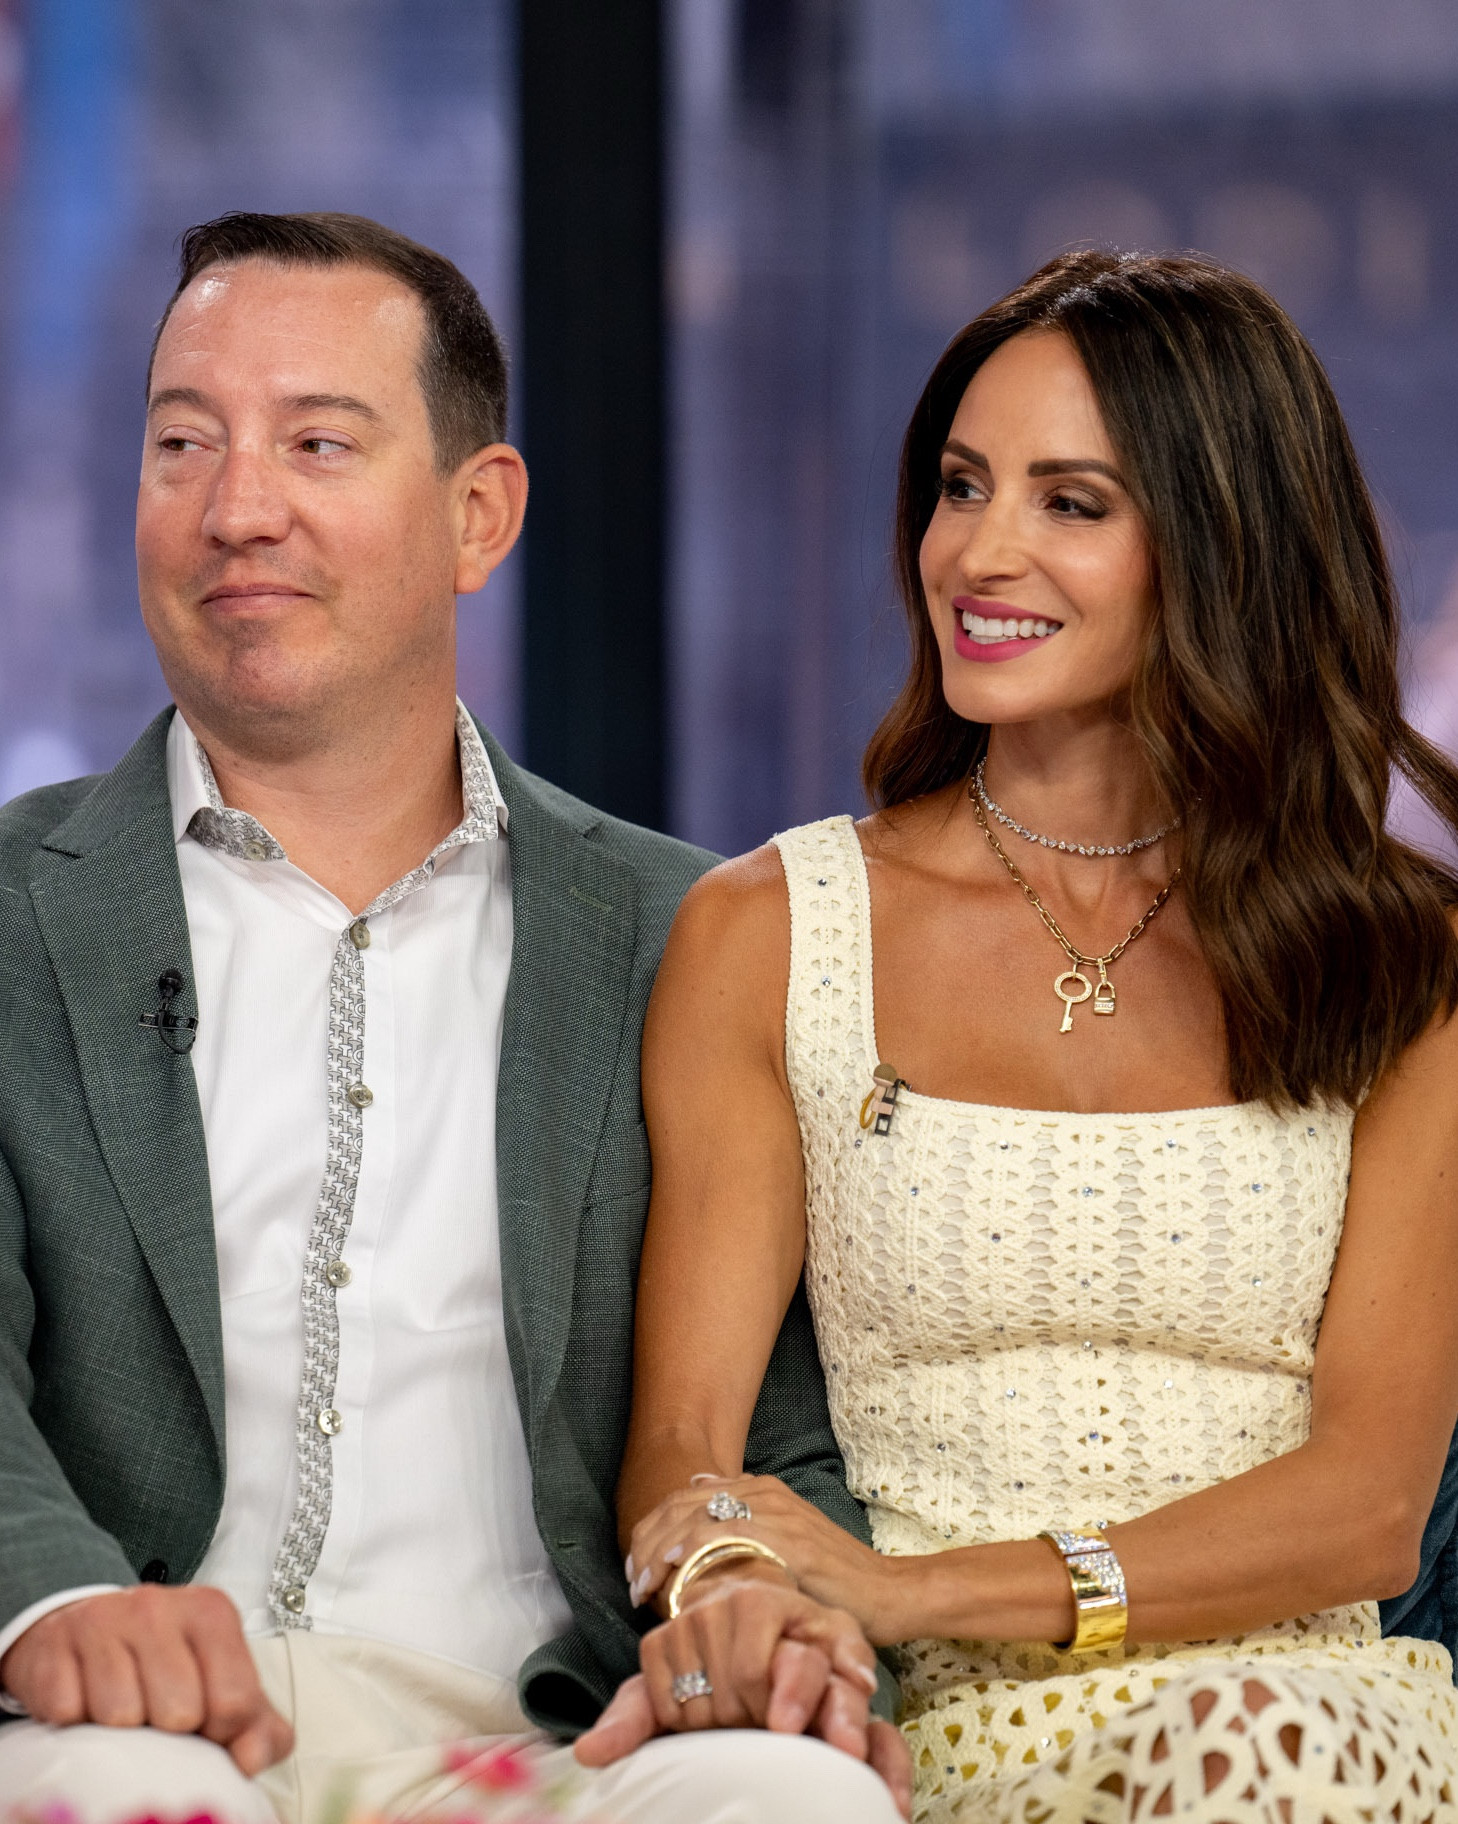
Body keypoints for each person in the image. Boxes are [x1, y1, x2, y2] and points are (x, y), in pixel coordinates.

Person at [0, 211, 907, 1824]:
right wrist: (55, 1604)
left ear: (478, 514)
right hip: (124, 1715)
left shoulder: (685, 934)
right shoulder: (12, 906)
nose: (236, 508)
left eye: (317, 442)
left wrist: (769, 1609)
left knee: (790, 1801)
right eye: (181, 443)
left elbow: (788, 1431)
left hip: (555, 1736)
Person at [615, 249, 1458, 1821]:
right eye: (958, 486)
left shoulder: (1408, 963)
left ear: (1222, 549)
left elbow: (1369, 1509)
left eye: (1071, 502)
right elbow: (682, 1440)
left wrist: (924, 1588)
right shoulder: (770, 930)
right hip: (923, 1735)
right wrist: (737, 1573)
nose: (977, 553)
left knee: (1251, 1741)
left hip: (1308, 1720)